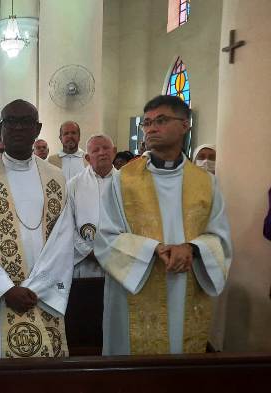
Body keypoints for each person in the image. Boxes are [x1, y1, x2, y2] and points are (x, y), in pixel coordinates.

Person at [94, 95, 232, 355]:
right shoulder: (122, 180)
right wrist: (153, 249)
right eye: (146, 122)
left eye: (161, 120)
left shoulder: (206, 183)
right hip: (134, 289)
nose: (151, 128)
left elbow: (221, 238)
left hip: (187, 286)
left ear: (184, 125)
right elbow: (106, 238)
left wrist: (192, 248)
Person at [0, 99, 74, 359]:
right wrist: (5, 288)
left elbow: (64, 238)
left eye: (25, 122)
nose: (18, 128)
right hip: (0, 298)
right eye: (10, 122)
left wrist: (39, 286)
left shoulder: (55, 177)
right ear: (1, 128)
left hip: (43, 295)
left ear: (37, 129)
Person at [67, 134, 117, 279]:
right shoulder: (73, 185)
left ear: (114, 152)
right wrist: (89, 252)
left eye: (106, 148)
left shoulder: (125, 183)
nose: (102, 152)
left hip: (118, 263)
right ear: (87, 158)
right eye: (95, 150)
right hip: (84, 264)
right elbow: (67, 225)